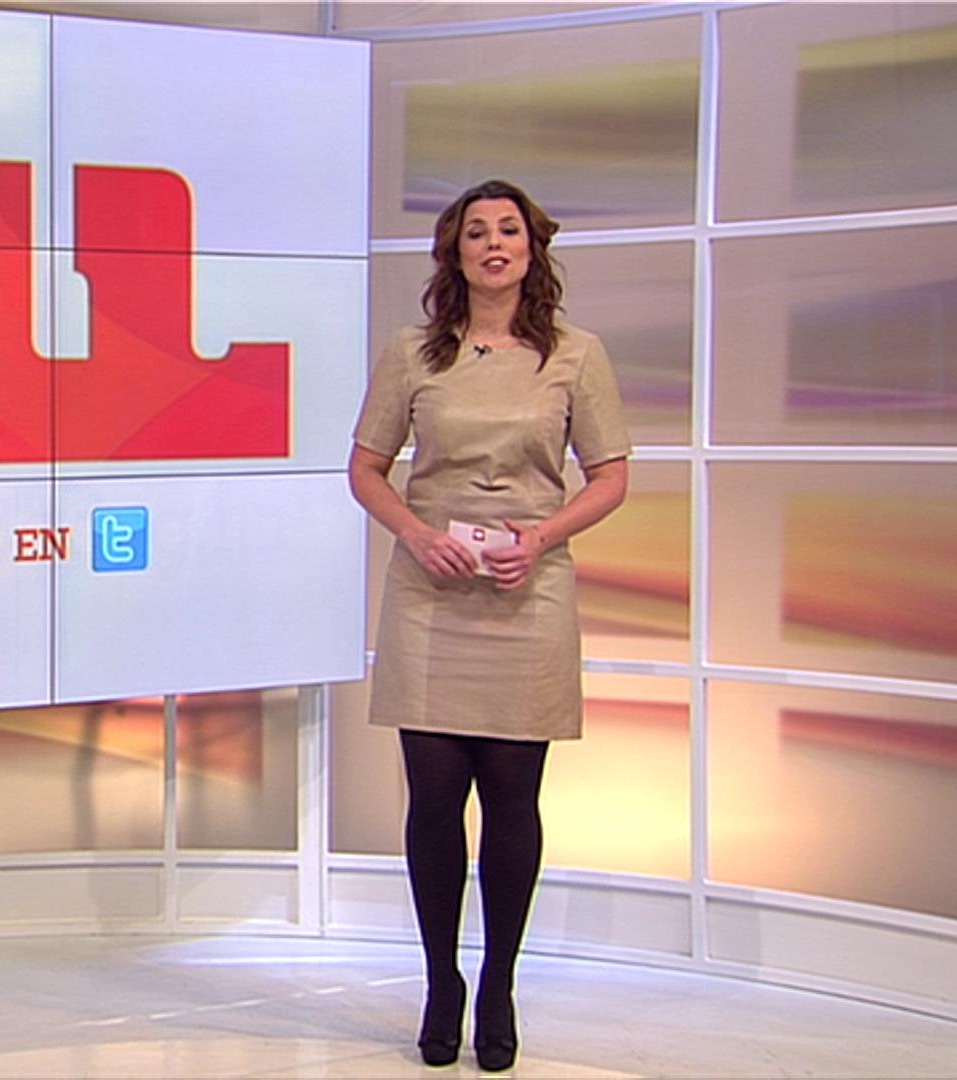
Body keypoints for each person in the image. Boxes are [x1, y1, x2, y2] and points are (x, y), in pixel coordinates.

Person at [348, 179, 630, 1072]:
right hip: (430, 597)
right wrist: (416, 534)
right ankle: (442, 982)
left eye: (509, 230)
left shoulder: (576, 355)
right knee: (434, 803)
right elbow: (365, 470)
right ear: (456, 252)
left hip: (527, 593)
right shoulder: (412, 353)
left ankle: (499, 981)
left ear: (532, 249)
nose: (494, 244)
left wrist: (540, 537)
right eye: (477, 232)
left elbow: (611, 477)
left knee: (513, 801)